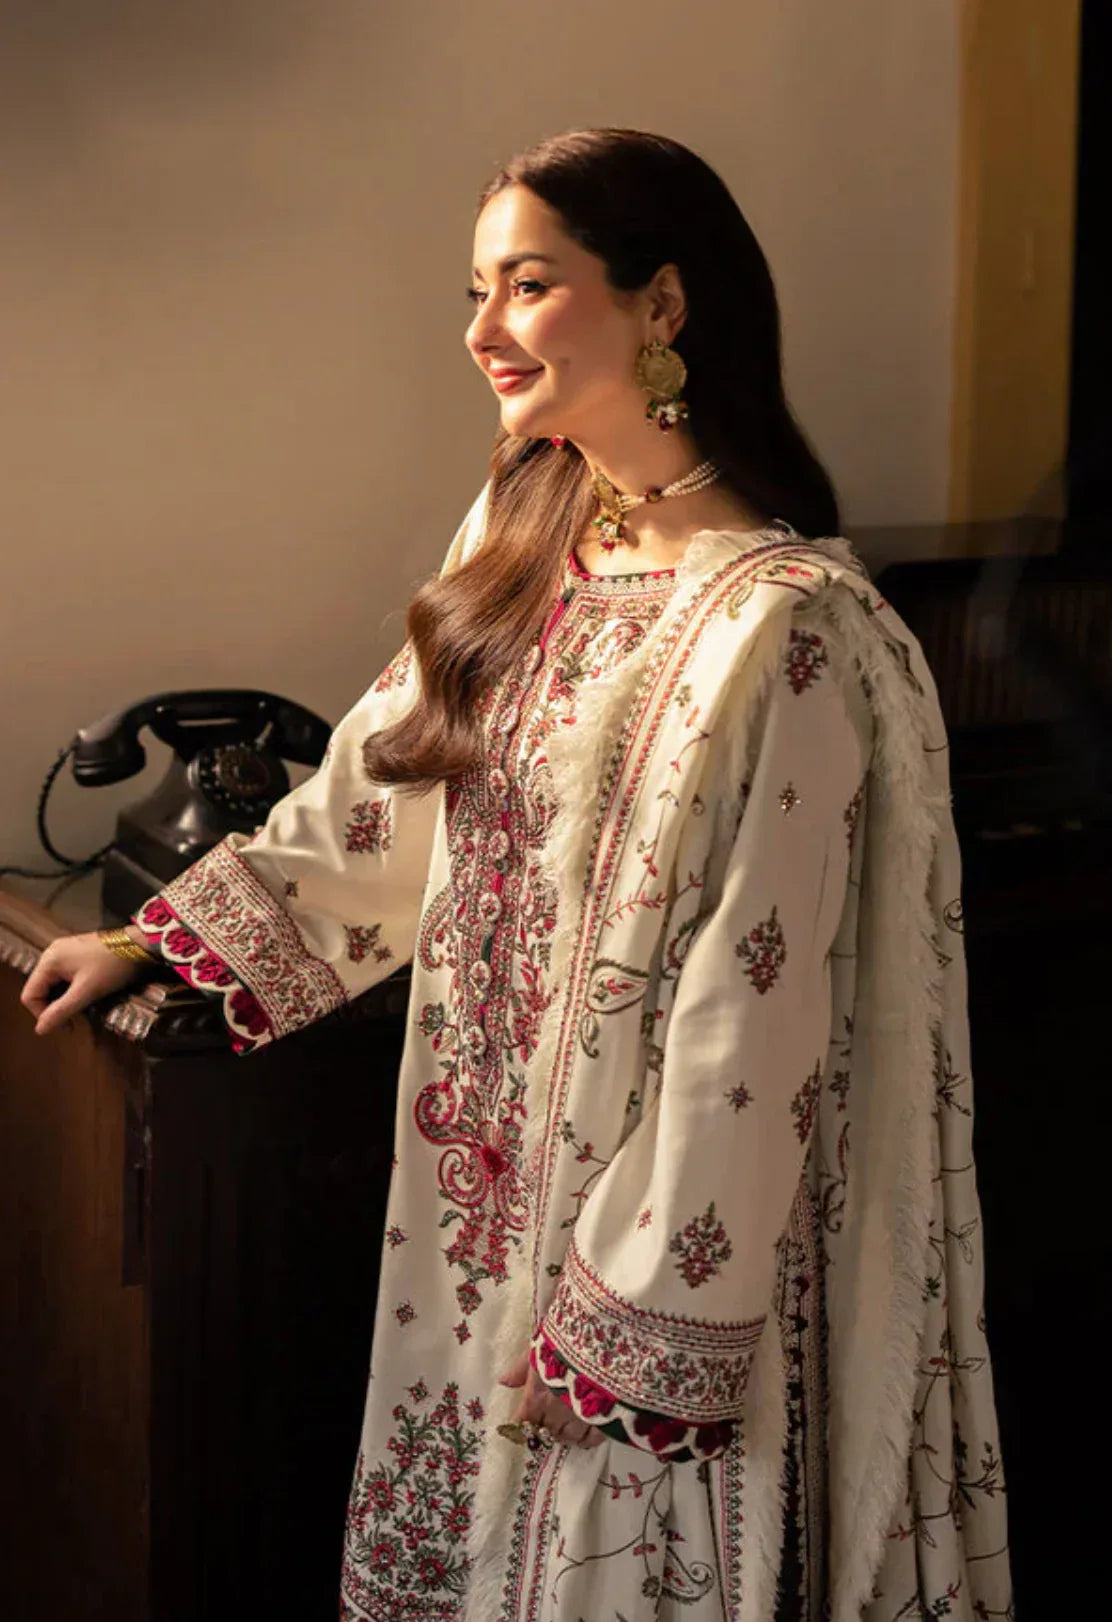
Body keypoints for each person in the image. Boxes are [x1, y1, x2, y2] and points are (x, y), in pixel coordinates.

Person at [22, 129, 1012, 1622]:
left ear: (663, 305)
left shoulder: (788, 629)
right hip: (470, 1215)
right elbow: (387, 777)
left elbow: (753, 1020)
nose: (481, 330)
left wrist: (632, 1331)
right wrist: (161, 938)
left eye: (528, 284)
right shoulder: (523, 526)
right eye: (475, 289)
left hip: (649, 1265)